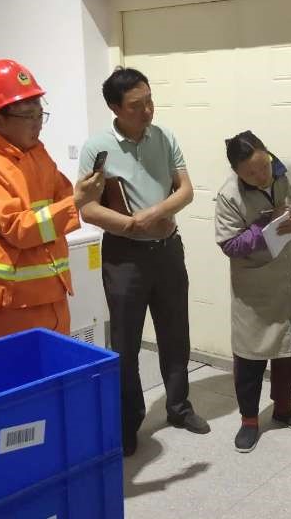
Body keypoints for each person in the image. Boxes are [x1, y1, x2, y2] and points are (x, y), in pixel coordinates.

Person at [78, 66, 209, 457]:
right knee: (126, 344)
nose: (148, 110)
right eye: (137, 105)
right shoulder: (97, 148)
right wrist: (131, 225)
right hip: (124, 258)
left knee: (175, 333)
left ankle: (179, 407)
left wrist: (155, 214)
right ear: (115, 108)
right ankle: (128, 422)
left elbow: (185, 190)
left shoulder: (164, 136)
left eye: (150, 100)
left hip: (168, 250)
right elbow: (87, 207)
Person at [0, 59, 103, 344]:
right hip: (10, 303)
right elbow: (19, 229)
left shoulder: (37, 154)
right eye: (28, 116)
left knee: (55, 368)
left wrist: (77, 196)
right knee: (15, 371)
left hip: (52, 292)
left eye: (40, 115)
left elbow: (62, 196)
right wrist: (74, 201)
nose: (38, 124)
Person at [214, 130, 291, 453]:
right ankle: (249, 421)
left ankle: (283, 409)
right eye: (251, 173)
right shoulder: (229, 195)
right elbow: (229, 244)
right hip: (255, 287)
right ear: (237, 173)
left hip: (290, 277)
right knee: (251, 357)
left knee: (289, 349)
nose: (261, 176)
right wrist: (265, 229)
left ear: (268, 153)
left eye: (264, 166)